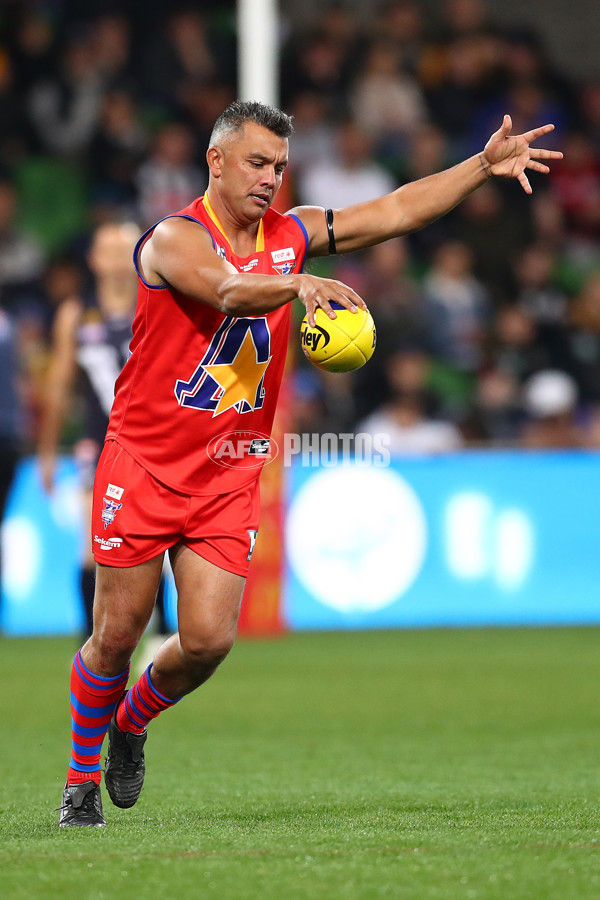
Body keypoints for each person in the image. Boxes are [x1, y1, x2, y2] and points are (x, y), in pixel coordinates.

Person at [56, 99, 561, 827]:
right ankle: (78, 786)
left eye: (280, 167)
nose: (270, 178)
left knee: (205, 642)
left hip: (228, 472)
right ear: (217, 160)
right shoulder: (172, 238)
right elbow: (229, 292)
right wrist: (296, 285)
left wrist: (480, 167)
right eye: (257, 163)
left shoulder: (292, 234)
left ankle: (130, 724)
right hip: (145, 464)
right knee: (116, 632)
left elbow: (392, 212)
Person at [38, 222, 169, 640]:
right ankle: (89, 641)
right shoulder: (76, 314)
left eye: (123, 248)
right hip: (99, 447)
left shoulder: (160, 306)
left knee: (157, 547)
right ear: (93, 259)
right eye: (106, 249)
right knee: (91, 547)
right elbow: (59, 385)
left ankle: (159, 636)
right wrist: (46, 451)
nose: (115, 258)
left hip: (155, 444)